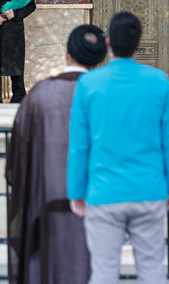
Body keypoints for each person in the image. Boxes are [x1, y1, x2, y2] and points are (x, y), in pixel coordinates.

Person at [68, 12, 169, 284]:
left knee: (104, 272)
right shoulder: (158, 81)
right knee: (152, 269)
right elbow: (168, 140)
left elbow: (79, 146)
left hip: (104, 192)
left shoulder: (89, 84)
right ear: (139, 42)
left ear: (108, 43)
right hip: (149, 190)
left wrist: (76, 191)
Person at [6, 25, 107, 284]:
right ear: (99, 59)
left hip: (46, 201)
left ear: (66, 54)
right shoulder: (103, 94)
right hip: (97, 203)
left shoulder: (40, 94)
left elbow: (17, 157)